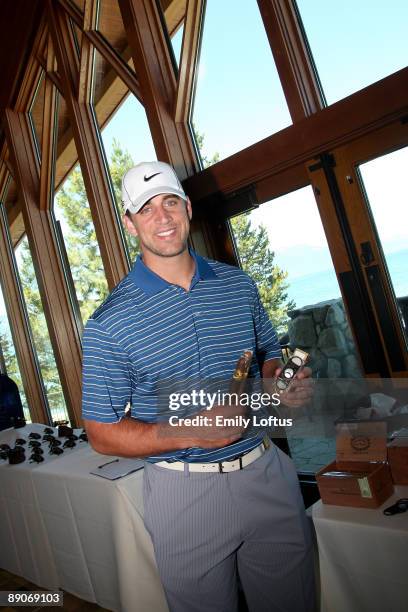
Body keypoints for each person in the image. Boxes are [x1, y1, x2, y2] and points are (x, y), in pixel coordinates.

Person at [82, 161, 316, 612]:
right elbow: (101, 432)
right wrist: (191, 431)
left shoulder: (238, 285)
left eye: (170, 201)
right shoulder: (108, 325)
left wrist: (279, 383)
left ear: (187, 208)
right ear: (130, 225)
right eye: (145, 209)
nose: (162, 217)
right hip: (184, 495)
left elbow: (268, 353)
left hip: (267, 471)